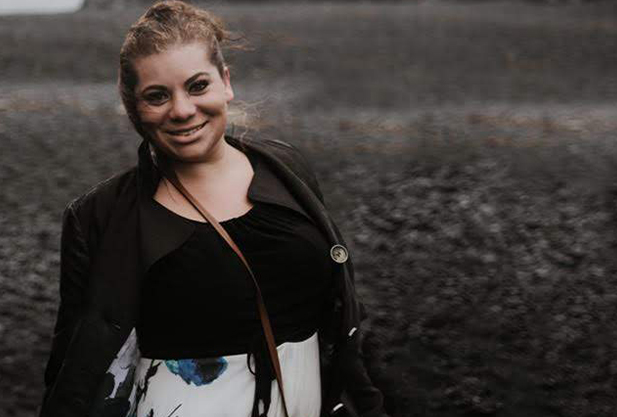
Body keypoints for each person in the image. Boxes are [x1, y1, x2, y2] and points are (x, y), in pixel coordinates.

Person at [39, 2, 389, 417]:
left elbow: (342, 317)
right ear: (134, 108)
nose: (182, 110)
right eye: (157, 96)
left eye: (197, 86)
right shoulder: (100, 216)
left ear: (225, 82)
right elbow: (74, 368)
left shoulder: (283, 167)